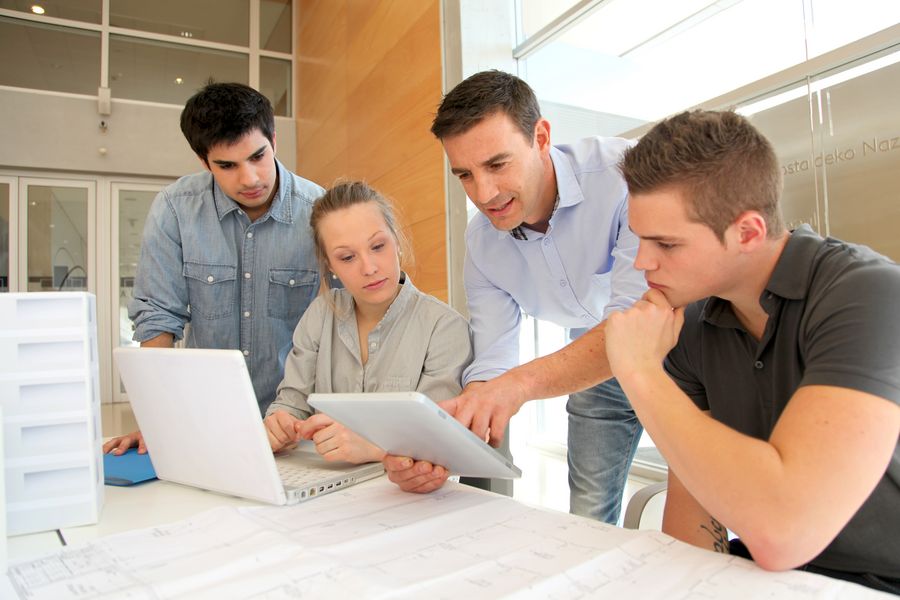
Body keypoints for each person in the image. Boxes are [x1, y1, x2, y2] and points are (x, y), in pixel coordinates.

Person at [604, 110, 900, 592]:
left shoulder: (869, 294)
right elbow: (696, 522)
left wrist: (640, 373)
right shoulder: (692, 326)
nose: (642, 262)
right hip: (775, 578)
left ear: (747, 232)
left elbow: (786, 534)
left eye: (666, 243)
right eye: (640, 238)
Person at [387, 70, 647, 520]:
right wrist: (442, 444)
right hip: (593, 357)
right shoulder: (483, 244)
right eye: (464, 174)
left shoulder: (625, 174)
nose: (483, 194)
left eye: (497, 165)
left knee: (710, 510)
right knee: (586, 515)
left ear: (541, 137)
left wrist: (519, 386)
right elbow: (493, 362)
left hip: (687, 347)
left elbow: (637, 327)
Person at [104, 82, 322, 455]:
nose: (250, 178)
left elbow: (353, 316)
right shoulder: (175, 209)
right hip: (205, 422)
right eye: (228, 165)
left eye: (258, 156)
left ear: (274, 139)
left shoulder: (319, 209)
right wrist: (155, 420)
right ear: (204, 162)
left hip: (298, 424)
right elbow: (158, 319)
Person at [263, 181, 473, 466]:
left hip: (414, 499)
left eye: (377, 246)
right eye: (347, 257)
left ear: (396, 241)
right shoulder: (320, 314)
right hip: (327, 488)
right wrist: (280, 423)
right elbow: (292, 402)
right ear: (329, 264)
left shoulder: (445, 328)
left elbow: (437, 436)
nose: (369, 268)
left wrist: (376, 446)